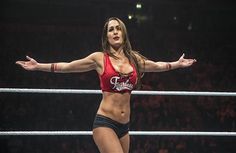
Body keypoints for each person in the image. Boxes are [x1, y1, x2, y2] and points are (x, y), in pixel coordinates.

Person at [16, 17, 196, 153]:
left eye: (118, 28)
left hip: (124, 127)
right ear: (106, 36)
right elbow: (68, 66)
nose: (115, 32)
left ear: (124, 33)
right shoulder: (99, 58)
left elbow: (156, 66)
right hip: (105, 123)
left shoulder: (135, 59)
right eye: (111, 30)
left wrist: (177, 64)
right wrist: (39, 66)